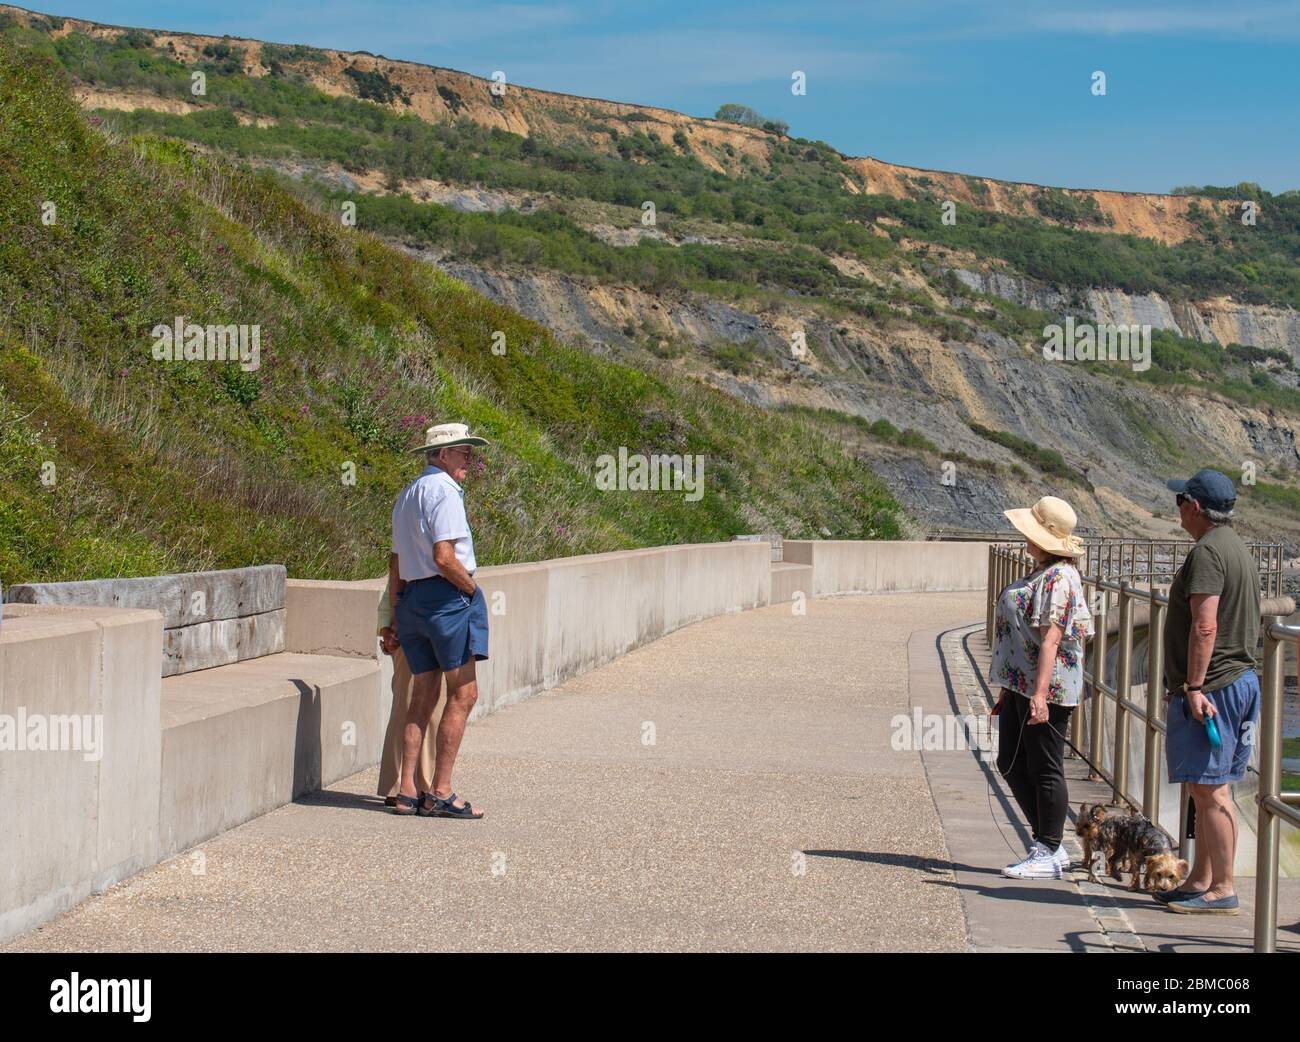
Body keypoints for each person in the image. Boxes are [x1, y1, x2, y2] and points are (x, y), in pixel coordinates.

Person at [1158, 469, 1260, 915]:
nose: (1177, 508)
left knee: (1212, 792)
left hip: (1214, 688)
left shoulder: (1207, 553)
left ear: (1194, 507)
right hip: (1236, 683)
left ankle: (1222, 889)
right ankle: (1201, 879)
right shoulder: (1236, 547)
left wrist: (1194, 687)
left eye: (1180, 500)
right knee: (1208, 790)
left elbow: (1205, 624)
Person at [390, 423, 490, 819]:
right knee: (464, 694)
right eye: (464, 452)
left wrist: (398, 608)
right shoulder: (445, 491)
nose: (470, 459)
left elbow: (396, 559)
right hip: (445, 598)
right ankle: (442, 793)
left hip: (412, 600)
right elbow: (444, 556)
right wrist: (470, 590)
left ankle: (407, 790)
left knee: (422, 695)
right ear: (442, 455)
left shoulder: (408, 493)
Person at [991, 495, 1094, 879]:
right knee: (1012, 762)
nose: (1023, 536)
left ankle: (1048, 848)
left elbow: (1051, 639)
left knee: (1045, 766)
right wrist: (1010, 687)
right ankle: (1046, 842)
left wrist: (1039, 694)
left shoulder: (1060, 577)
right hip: (1022, 683)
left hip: (1046, 687)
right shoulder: (1042, 571)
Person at [376, 552, 438, 806]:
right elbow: (394, 574)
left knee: (434, 707)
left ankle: (425, 784)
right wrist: (388, 628)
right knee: (407, 703)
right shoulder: (412, 526)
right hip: (410, 627)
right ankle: (399, 784)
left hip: (432, 624)